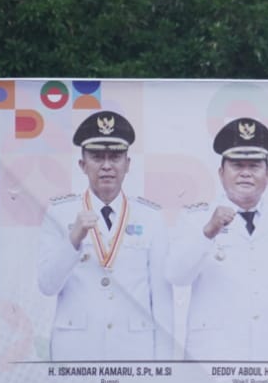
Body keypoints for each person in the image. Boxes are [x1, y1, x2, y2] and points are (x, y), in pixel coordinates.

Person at [167, 117, 268, 361]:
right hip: (212, 361)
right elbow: (176, 275)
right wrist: (208, 232)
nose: (246, 173)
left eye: (254, 165)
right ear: (221, 173)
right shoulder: (196, 218)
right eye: (237, 165)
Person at [37, 110, 174, 361]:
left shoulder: (151, 217)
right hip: (77, 350)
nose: (107, 166)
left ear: (128, 164)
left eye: (116, 157)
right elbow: (47, 286)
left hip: (134, 351)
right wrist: (73, 239)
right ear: (82, 164)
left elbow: (162, 299)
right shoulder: (60, 213)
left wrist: (165, 365)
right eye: (98, 157)